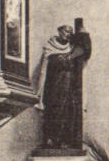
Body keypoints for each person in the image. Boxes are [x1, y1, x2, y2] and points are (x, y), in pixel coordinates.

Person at [36, 18, 92, 150]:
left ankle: (64, 141)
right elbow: (44, 71)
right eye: (66, 31)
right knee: (53, 112)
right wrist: (39, 93)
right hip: (54, 88)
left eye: (71, 32)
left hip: (69, 89)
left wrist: (84, 33)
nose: (68, 34)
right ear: (59, 31)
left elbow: (86, 50)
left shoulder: (73, 49)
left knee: (69, 114)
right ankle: (52, 139)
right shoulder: (50, 48)